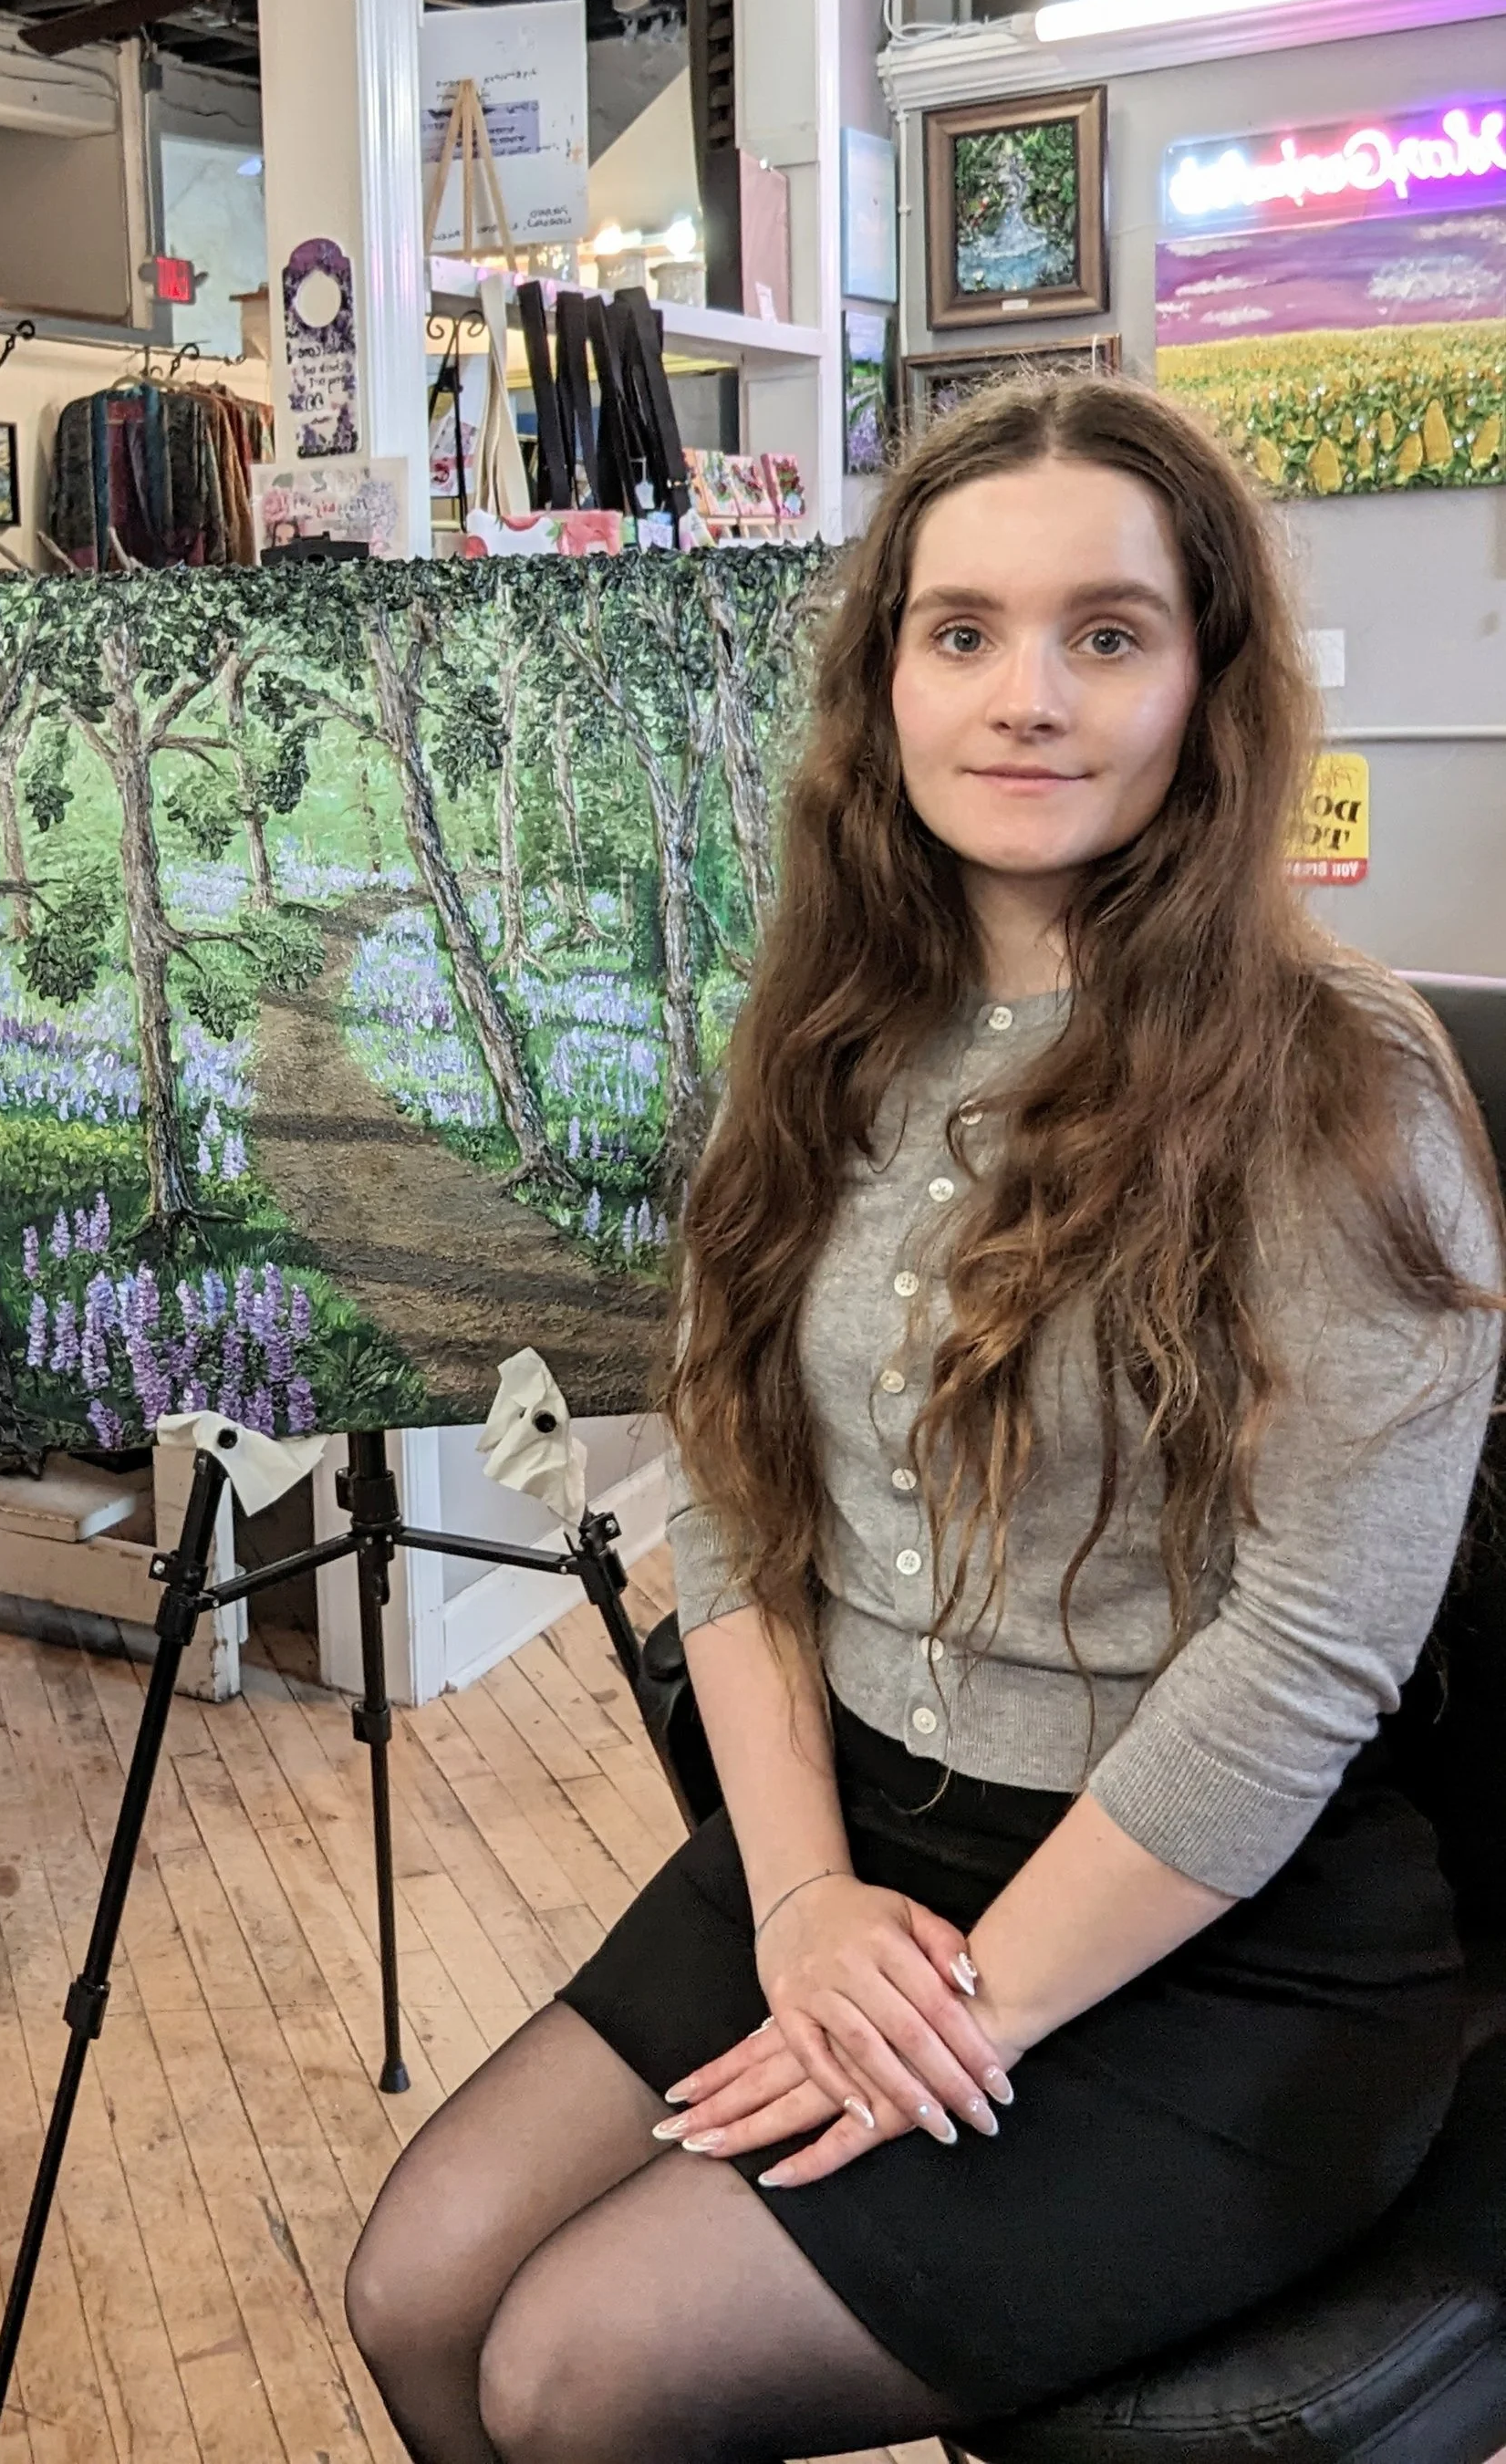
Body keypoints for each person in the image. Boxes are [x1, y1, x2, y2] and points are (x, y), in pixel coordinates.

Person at [344, 378, 1505, 2464]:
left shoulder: (1338, 1080)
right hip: (861, 1846)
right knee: (420, 2289)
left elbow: (1309, 1646)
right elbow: (728, 1492)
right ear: (883, 679)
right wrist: (801, 1903)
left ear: (1206, 683)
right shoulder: (818, 1030)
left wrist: (963, 2008)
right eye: (960, 630)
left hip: (1206, 1933)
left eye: (1105, 633)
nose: (1024, 694)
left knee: (574, 2367)